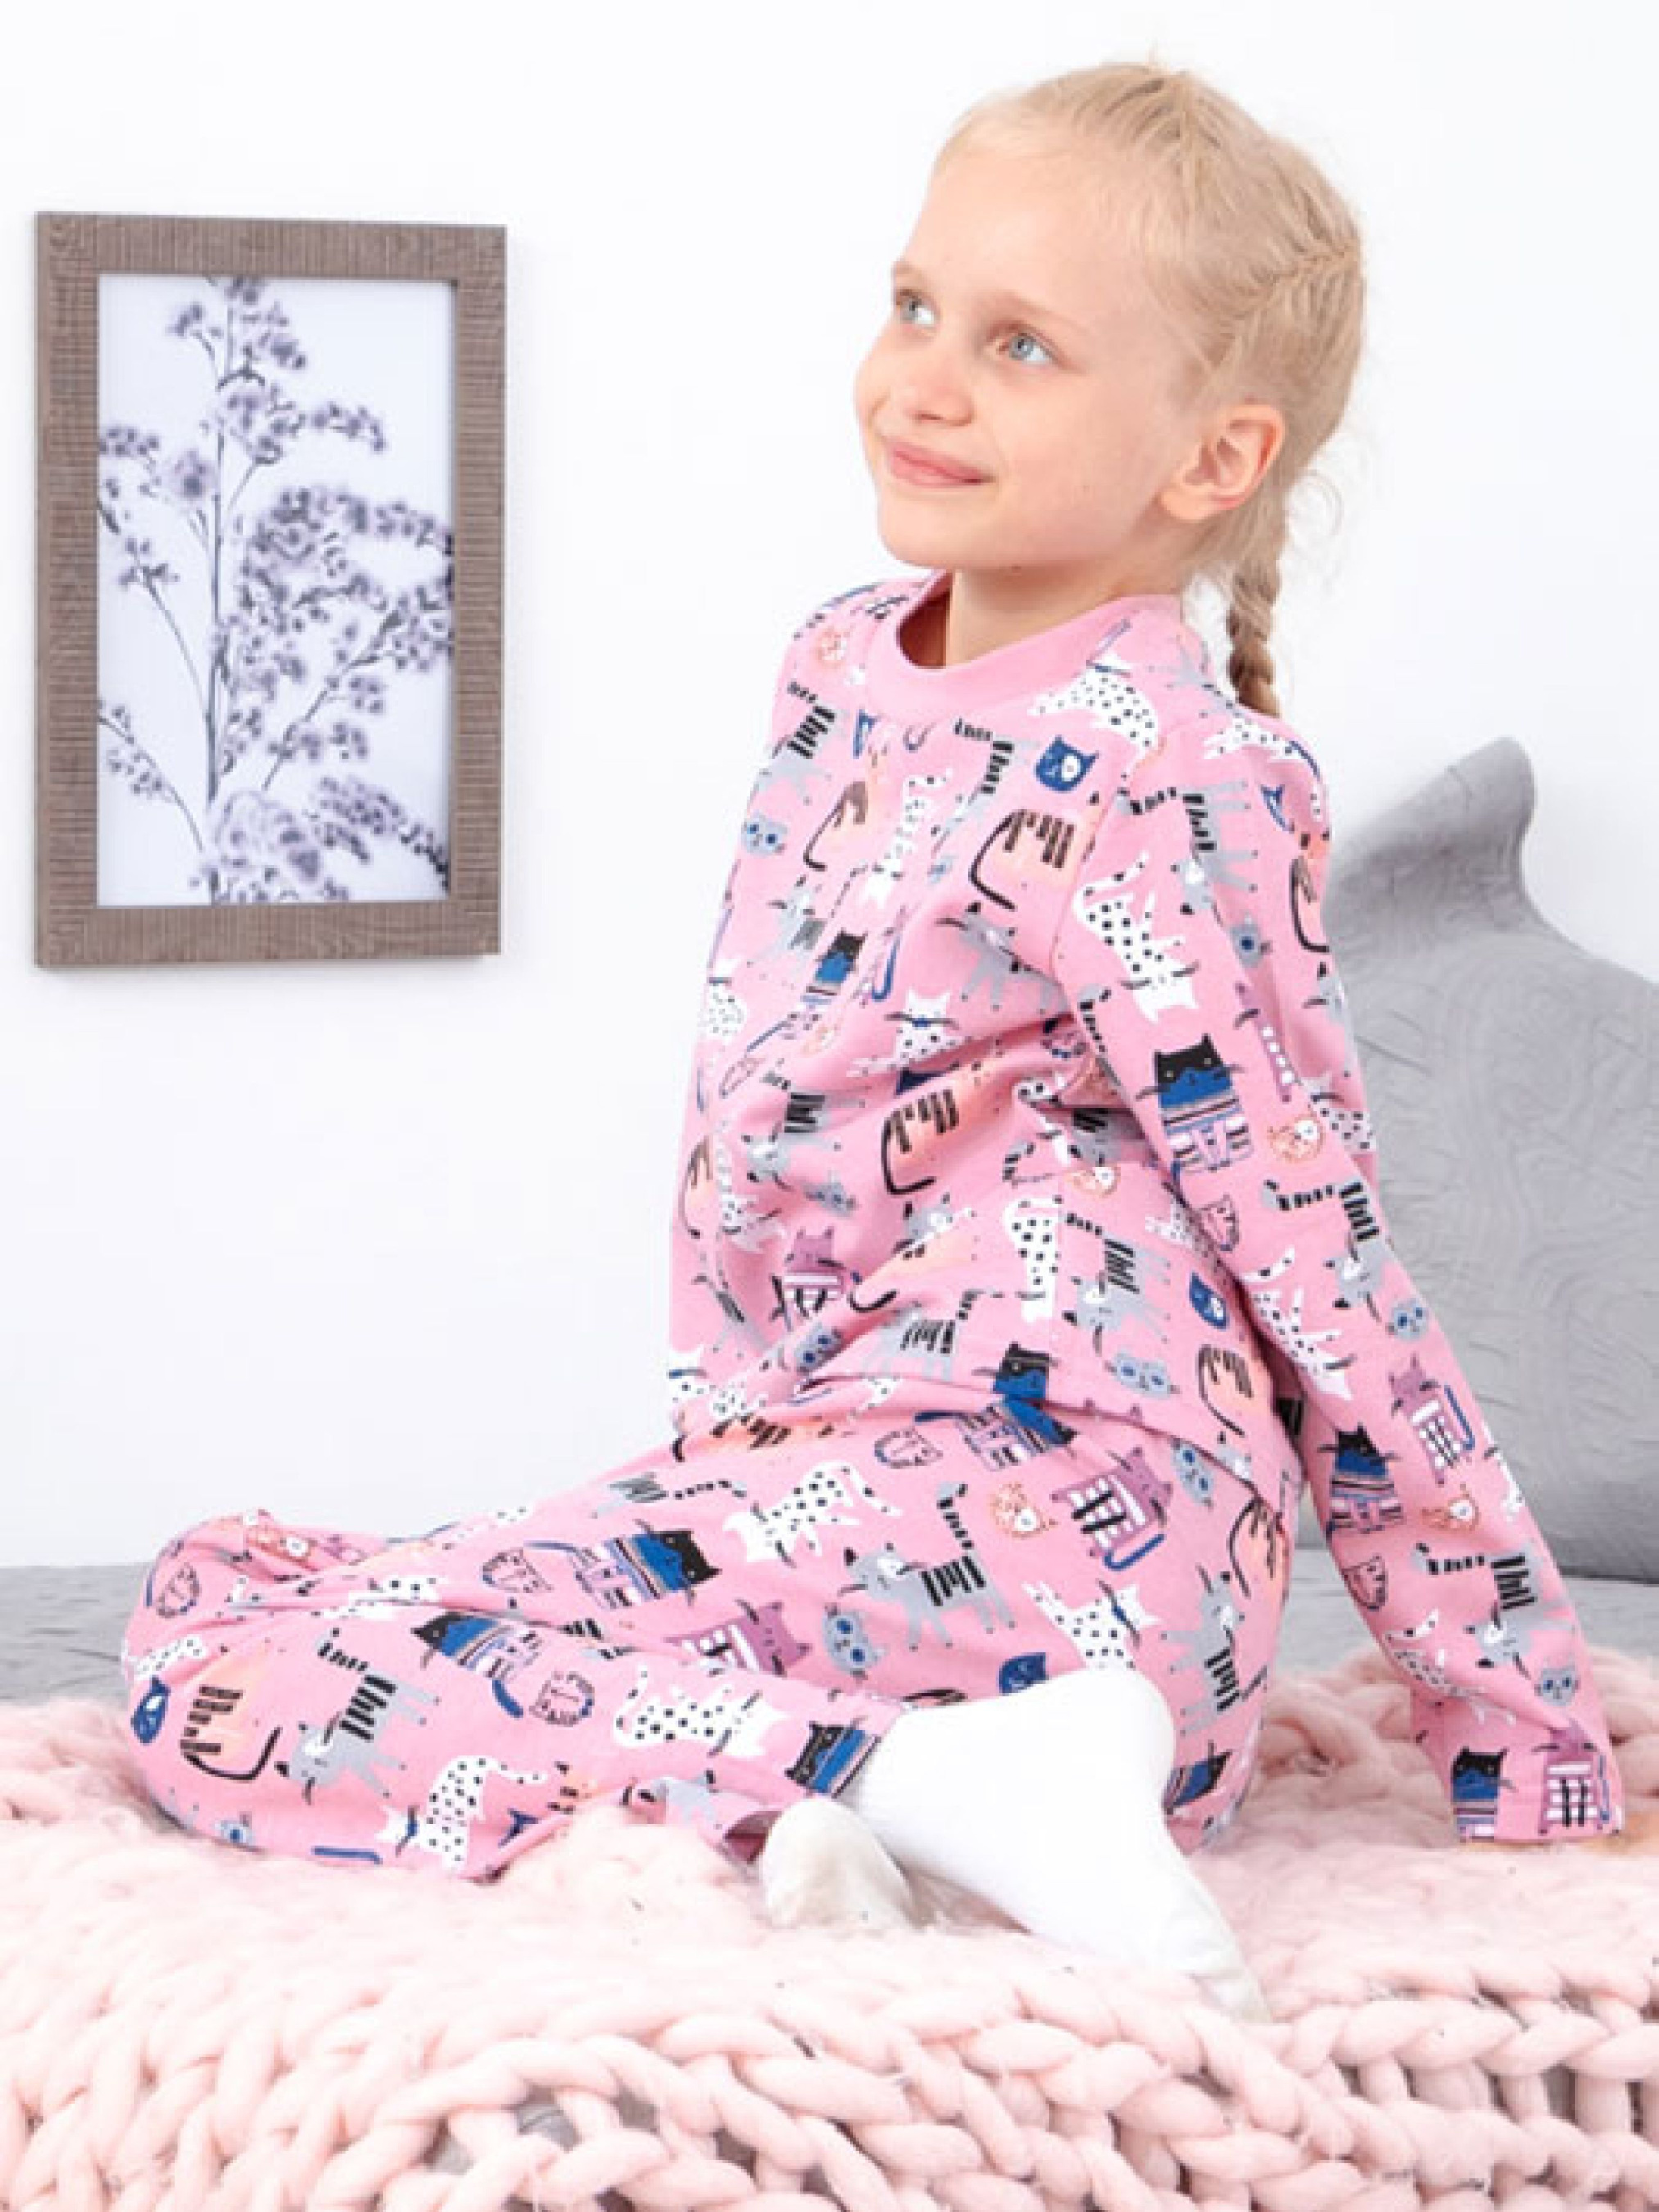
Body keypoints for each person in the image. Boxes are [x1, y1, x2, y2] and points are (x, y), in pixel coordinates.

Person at [119, 58, 1623, 2019]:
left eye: (1018, 345)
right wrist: (719, 1459)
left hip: (1105, 1546)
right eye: (913, 305)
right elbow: (755, 1128)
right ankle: (900, 1791)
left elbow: (1321, 1271)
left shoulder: (1179, 777)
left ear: (1210, 458)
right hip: (848, 1479)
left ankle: (936, 1784)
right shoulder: (840, 669)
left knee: (278, 1680)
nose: (921, 381)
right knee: (221, 1616)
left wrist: (1523, 1738)